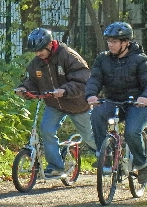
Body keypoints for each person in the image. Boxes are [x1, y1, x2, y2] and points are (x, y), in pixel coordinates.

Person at [15, 27, 97, 177]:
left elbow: (83, 80)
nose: (38, 54)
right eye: (35, 51)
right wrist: (24, 88)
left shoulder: (68, 56)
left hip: (77, 104)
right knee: (46, 130)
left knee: (89, 136)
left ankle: (106, 155)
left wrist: (64, 90)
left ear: (50, 44)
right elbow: (33, 81)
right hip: (54, 104)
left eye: (40, 50)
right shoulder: (36, 63)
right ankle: (55, 166)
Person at [85, 21, 147, 184]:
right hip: (113, 102)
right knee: (96, 114)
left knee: (131, 132)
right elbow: (95, 79)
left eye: (114, 41)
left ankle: (142, 166)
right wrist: (91, 95)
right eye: (109, 41)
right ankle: (104, 155)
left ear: (125, 43)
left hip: (137, 105)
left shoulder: (139, 59)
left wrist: (146, 97)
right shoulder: (102, 59)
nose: (110, 45)